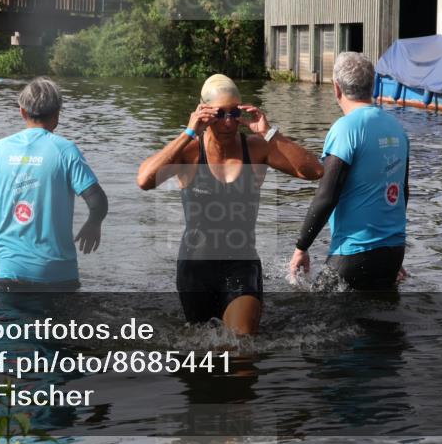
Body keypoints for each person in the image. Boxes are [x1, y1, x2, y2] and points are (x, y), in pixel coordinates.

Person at [137, 74, 323, 335]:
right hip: (195, 268)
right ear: (203, 112)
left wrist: (269, 133)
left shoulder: (256, 149)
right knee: (202, 355)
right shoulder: (190, 151)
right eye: (219, 113)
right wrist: (189, 131)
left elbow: (315, 171)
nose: (228, 122)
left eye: (234, 113)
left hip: (241, 264)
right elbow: (145, 180)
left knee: (242, 348)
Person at [0, 77, 108, 290]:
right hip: (58, 275)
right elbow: (97, 201)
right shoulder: (65, 151)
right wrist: (93, 223)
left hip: (11, 272)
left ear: (22, 112)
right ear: (57, 114)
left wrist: (7, 223)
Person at [288, 52, 410, 291]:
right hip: (394, 252)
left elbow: (327, 195)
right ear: (372, 86)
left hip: (355, 252)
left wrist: (301, 248)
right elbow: (403, 191)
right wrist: (392, 251)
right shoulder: (397, 129)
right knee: (382, 324)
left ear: (336, 88)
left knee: (319, 319)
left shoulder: (345, 129)